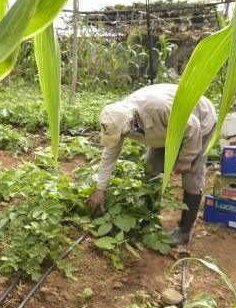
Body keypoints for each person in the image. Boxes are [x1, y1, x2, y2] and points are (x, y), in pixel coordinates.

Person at [86, 83, 216, 246]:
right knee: (150, 169)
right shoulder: (117, 117)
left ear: (131, 123)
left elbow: (193, 126)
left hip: (200, 121)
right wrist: (100, 189)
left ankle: (184, 231)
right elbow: (110, 154)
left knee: (191, 177)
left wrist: (185, 159)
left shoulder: (160, 109)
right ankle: (150, 220)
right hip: (164, 131)